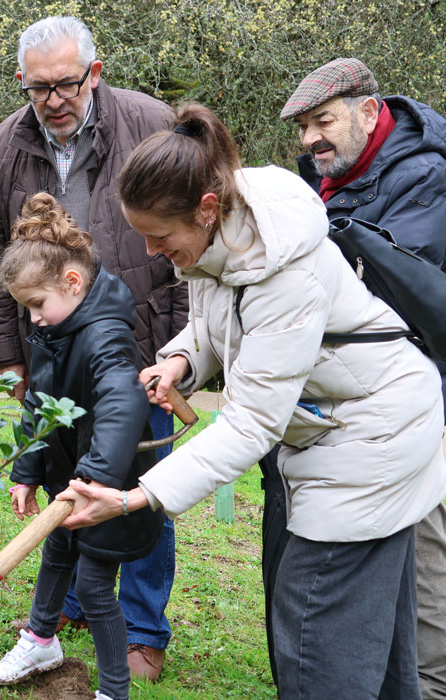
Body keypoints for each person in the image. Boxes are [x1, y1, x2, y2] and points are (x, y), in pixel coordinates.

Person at [62, 103, 446, 699]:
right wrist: (183, 360)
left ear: (207, 210)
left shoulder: (281, 269)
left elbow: (249, 424)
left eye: (161, 238)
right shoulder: (224, 234)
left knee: (317, 645)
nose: (153, 252)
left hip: (370, 440)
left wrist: (139, 496)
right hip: (347, 426)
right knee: (383, 658)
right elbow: (223, 323)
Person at [0, 15, 183, 680]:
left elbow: (187, 245)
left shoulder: (150, 123)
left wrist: (182, 349)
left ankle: (143, 632)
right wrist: (9, 353)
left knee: (141, 487)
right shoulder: (5, 145)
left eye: (68, 83)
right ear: (22, 84)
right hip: (52, 349)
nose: (55, 99)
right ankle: (61, 617)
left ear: (95, 73)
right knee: (71, 475)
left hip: (141, 341)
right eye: (40, 88)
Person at [278, 58, 446, 699]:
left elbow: (393, 295)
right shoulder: (323, 175)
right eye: (302, 128)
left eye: (322, 121)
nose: (310, 140)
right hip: (352, 401)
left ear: (368, 111)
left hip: (418, 397)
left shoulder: (423, 175)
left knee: (422, 550)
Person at [0, 193, 163, 699]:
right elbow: (39, 401)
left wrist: (95, 479)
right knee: (56, 553)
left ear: (72, 282)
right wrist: (27, 470)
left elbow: (121, 408)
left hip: (109, 484)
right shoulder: (56, 328)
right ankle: (42, 640)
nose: (33, 318)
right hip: (72, 476)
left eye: (37, 305)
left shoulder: (105, 334)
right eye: (26, 309)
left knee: (93, 587)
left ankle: (113, 691)